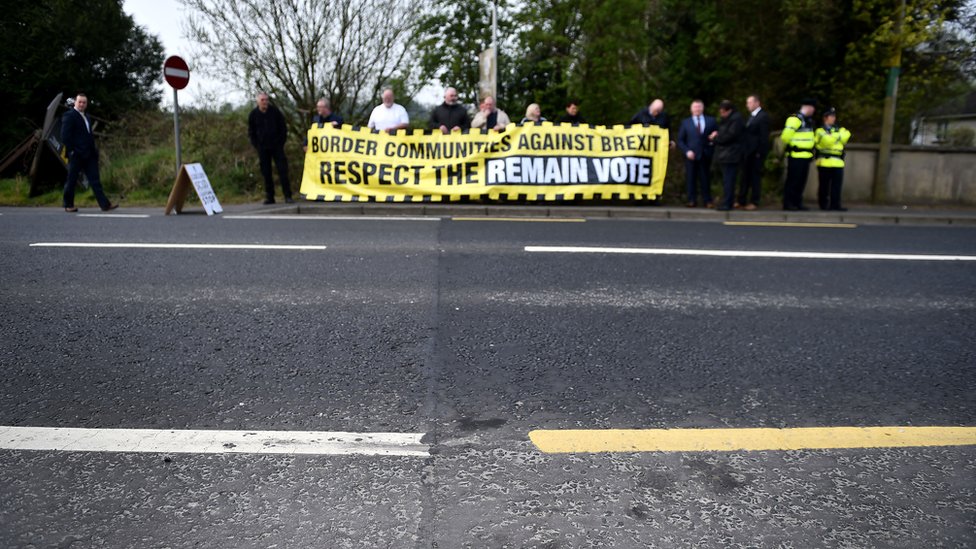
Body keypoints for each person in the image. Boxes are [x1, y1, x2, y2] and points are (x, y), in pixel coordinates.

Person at [60, 93, 117, 212]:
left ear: (86, 104)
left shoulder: (87, 116)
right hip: (76, 154)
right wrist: (73, 150)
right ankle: (68, 205)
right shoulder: (69, 115)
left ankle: (105, 205)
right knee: (72, 179)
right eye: (79, 102)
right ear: (75, 102)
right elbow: (65, 136)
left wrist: (94, 151)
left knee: (95, 180)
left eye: (84, 102)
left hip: (90, 154)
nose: (81, 104)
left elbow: (89, 135)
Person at [248, 91, 293, 205]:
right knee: (266, 173)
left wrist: (280, 142)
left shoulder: (275, 112)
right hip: (263, 148)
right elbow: (251, 132)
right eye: (262, 100)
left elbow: (283, 128)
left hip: (277, 147)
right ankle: (270, 197)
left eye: (266, 100)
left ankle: (287, 195)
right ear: (258, 101)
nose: (265, 102)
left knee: (283, 170)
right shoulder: (253, 115)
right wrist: (257, 145)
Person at [676, 99, 717, 207]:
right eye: (695, 107)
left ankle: (707, 200)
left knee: (705, 178)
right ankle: (691, 200)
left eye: (699, 107)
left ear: (702, 108)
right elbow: (680, 140)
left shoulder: (711, 121)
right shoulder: (686, 122)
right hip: (691, 155)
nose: (697, 109)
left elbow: (717, 135)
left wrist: (714, 138)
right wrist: (687, 151)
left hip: (705, 154)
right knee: (690, 178)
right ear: (691, 109)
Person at [780, 98, 817, 210]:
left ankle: (797, 203)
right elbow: (785, 136)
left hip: (805, 156)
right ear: (808, 107)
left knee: (801, 182)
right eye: (813, 108)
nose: (813, 111)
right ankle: (788, 203)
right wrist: (793, 146)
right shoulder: (795, 119)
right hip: (796, 155)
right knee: (793, 181)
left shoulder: (808, 120)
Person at [709, 100, 745, 211]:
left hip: (731, 154)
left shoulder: (735, 120)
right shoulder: (730, 119)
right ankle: (727, 201)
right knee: (727, 180)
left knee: (729, 180)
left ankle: (727, 203)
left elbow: (729, 136)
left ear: (728, 110)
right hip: (727, 154)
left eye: (723, 112)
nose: (721, 114)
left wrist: (716, 138)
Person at [736, 94, 771, 210]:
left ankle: (754, 201)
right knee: (745, 177)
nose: (747, 105)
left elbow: (764, 137)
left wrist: (760, 152)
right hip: (747, 152)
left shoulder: (763, 117)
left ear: (757, 103)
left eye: (749, 103)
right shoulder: (751, 117)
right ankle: (741, 200)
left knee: (755, 178)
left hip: (756, 153)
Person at [814, 108, 852, 211]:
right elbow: (826, 141)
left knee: (836, 186)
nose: (833, 118)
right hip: (824, 162)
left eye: (834, 116)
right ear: (825, 118)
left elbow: (847, 135)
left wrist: (833, 136)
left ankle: (836, 205)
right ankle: (823, 205)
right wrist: (838, 138)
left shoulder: (839, 129)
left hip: (838, 163)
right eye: (831, 116)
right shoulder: (820, 131)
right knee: (824, 186)